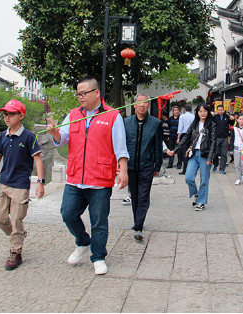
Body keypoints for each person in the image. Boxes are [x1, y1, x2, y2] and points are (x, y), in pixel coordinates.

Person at [46, 76, 129, 275]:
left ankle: (98, 256)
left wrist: (123, 170)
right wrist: (56, 133)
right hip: (75, 178)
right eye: (78, 94)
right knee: (68, 213)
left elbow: (120, 146)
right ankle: (83, 242)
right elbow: (62, 138)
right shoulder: (74, 114)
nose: (80, 97)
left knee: (99, 221)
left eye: (84, 93)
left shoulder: (112, 116)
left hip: (100, 179)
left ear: (96, 93)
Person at [0, 99, 45, 270]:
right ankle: (18, 235)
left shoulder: (28, 137)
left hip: (20, 185)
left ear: (21, 116)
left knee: (17, 219)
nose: (7, 117)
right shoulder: (3, 135)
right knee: (0, 218)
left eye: (11, 114)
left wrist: (40, 182)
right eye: (5, 114)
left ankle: (16, 252)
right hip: (4, 183)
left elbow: (37, 159)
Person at [124, 94, 163, 240]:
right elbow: (121, 145)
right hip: (130, 166)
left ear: (148, 105)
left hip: (147, 166)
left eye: (145, 102)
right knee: (134, 196)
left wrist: (157, 165)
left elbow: (158, 145)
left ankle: (138, 226)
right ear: (134, 105)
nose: (142, 105)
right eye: (139, 102)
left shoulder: (155, 123)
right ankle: (137, 221)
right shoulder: (126, 122)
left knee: (143, 196)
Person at [167, 102, 216, 211]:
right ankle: (196, 194)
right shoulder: (194, 124)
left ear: (208, 112)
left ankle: (201, 202)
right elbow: (185, 138)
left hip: (205, 155)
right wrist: (175, 151)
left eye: (205, 111)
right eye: (200, 111)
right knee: (188, 177)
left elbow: (213, 142)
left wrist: (210, 158)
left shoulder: (211, 126)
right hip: (193, 154)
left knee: (204, 180)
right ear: (197, 112)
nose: (202, 113)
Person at [230, 113, 243, 185]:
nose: (241, 120)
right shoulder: (234, 129)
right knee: (237, 164)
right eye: (240, 119)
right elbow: (232, 139)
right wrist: (231, 149)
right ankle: (238, 178)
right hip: (236, 148)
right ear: (237, 120)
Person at [212, 105, 231, 174]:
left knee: (224, 154)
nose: (220, 111)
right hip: (216, 137)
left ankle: (222, 168)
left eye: (221, 110)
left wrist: (233, 118)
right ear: (217, 110)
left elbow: (231, 123)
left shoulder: (226, 117)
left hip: (225, 137)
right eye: (219, 110)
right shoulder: (214, 117)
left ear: (224, 110)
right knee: (216, 153)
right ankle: (215, 164)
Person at [177, 104, 195, 175]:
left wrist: (178, 137)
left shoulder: (182, 116)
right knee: (191, 152)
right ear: (190, 109)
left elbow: (180, 127)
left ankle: (185, 169)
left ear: (184, 109)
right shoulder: (193, 116)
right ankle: (191, 169)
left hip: (184, 135)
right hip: (192, 135)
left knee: (185, 153)